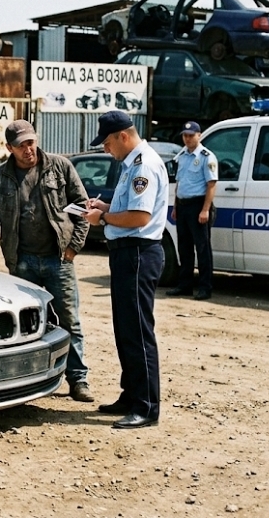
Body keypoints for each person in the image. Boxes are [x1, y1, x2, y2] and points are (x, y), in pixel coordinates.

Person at [0, 119, 94, 403]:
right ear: (9, 148)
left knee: (69, 321)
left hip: (57, 260)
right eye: (22, 145)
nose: (29, 149)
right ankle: (32, 380)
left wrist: (74, 247)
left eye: (31, 142)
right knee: (29, 324)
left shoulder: (59, 167)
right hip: (22, 263)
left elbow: (82, 207)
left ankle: (78, 380)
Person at [83, 110, 169, 430]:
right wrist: (106, 208)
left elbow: (139, 217)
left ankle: (146, 406)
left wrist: (103, 220)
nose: (106, 149)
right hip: (126, 254)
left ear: (123, 136)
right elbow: (128, 210)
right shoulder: (132, 163)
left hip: (137, 253)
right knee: (125, 329)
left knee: (137, 331)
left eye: (107, 143)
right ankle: (131, 394)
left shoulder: (142, 164)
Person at [167, 121, 218, 301]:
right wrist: (175, 205)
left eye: (191, 135)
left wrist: (205, 210)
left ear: (199, 135)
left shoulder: (207, 157)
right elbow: (180, 182)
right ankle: (185, 285)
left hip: (198, 205)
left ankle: (205, 287)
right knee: (184, 247)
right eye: (185, 135)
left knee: (202, 248)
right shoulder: (182, 156)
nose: (187, 139)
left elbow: (211, 185)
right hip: (182, 205)